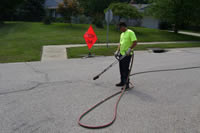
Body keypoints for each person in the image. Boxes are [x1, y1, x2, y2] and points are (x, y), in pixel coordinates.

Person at [114, 22, 137, 89]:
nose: (120, 29)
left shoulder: (130, 32)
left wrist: (130, 49)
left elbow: (135, 42)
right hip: (121, 54)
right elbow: (120, 44)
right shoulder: (122, 34)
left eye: (120, 27)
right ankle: (122, 82)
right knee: (121, 68)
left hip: (127, 55)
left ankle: (126, 84)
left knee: (125, 70)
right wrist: (117, 51)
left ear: (124, 26)